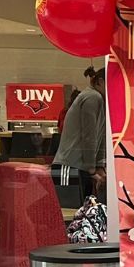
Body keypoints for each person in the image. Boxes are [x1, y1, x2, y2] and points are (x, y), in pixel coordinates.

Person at [52, 66, 107, 200]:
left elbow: (100, 136)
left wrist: (99, 165)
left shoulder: (98, 99)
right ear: (100, 81)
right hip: (70, 165)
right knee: (70, 214)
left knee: (80, 214)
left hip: (77, 166)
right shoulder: (92, 97)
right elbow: (89, 136)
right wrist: (92, 168)